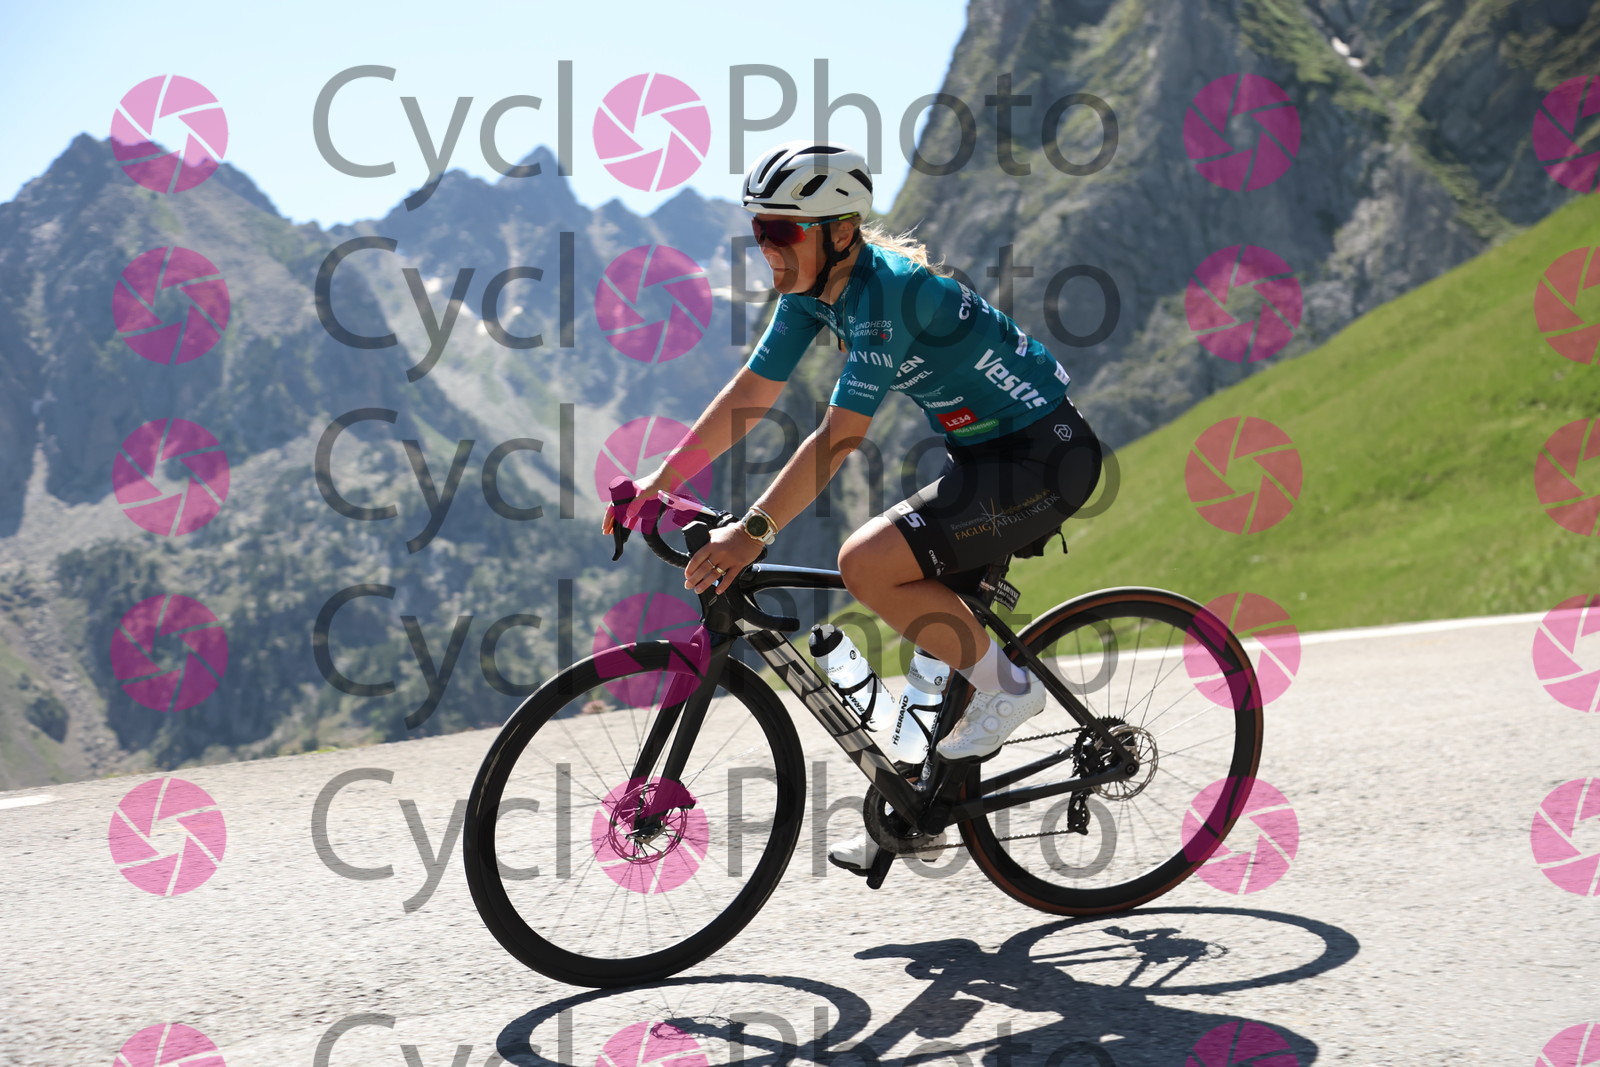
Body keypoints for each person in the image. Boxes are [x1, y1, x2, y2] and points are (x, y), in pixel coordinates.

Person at [601, 140, 1104, 871]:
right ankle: (917, 809)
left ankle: (1011, 690)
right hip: (984, 457)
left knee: (867, 564)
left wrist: (753, 532)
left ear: (840, 231)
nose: (767, 247)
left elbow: (839, 437)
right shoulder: (812, 294)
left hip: (1044, 460)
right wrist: (659, 480)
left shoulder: (887, 296)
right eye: (759, 230)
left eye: (782, 230)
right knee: (936, 644)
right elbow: (752, 393)